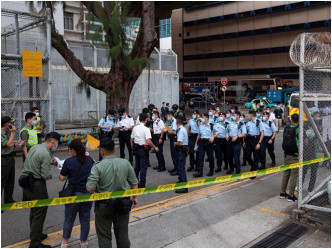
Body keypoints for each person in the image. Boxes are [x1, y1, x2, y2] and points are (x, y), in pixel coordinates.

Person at [86, 137, 138, 248]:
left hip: (104, 205)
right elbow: (134, 183)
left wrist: (97, 190)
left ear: (101, 152)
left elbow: (89, 188)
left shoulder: (97, 167)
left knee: (104, 235)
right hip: (123, 204)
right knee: (122, 233)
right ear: (114, 149)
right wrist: (134, 197)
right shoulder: (125, 163)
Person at [21, 132, 60, 248]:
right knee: (40, 212)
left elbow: (36, 161)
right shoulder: (45, 153)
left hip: (26, 181)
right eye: (57, 143)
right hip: (37, 184)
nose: (56, 145)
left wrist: (51, 162)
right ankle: (35, 243)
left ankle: (36, 234)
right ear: (53, 141)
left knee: (34, 210)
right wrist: (51, 175)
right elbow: (45, 175)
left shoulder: (36, 147)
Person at [59, 139, 94, 248]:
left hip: (73, 194)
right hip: (88, 193)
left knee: (69, 218)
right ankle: (84, 242)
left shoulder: (69, 162)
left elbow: (62, 178)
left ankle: (65, 242)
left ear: (73, 150)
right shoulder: (89, 160)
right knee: (85, 218)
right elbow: (96, 167)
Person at [131, 113, 159, 188]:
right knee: (143, 167)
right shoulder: (146, 129)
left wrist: (132, 147)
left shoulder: (135, 128)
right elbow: (148, 141)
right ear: (145, 119)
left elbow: (132, 139)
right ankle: (142, 184)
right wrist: (155, 147)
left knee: (137, 166)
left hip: (136, 148)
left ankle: (135, 182)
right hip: (143, 149)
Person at [1, 116, 25, 204]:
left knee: (10, 181)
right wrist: (12, 133)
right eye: (10, 123)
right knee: (2, 182)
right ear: (5, 124)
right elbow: (7, 144)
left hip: (10, 157)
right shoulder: (1, 133)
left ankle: (8, 200)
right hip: (3, 159)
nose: (11, 124)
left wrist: (16, 145)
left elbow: (10, 144)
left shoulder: (7, 132)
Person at [280, 114, 299, 202]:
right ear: (298, 120)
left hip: (286, 153)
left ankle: (282, 192)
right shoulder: (297, 129)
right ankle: (291, 195)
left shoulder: (286, 128)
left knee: (286, 173)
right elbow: (301, 141)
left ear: (291, 119)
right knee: (294, 175)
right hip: (295, 155)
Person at [194, 113, 215, 177]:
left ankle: (211, 170)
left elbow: (217, 132)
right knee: (200, 157)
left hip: (209, 142)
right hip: (202, 142)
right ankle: (200, 172)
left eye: (203, 117)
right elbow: (199, 134)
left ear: (206, 118)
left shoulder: (211, 125)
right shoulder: (201, 125)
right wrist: (196, 143)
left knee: (210, 157)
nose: (201, 119)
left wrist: (213, 137)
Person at [245, 110, 264, 178]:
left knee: (256, 156)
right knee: (247, 156)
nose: (248, 116)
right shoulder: (248, 123)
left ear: (251, 115)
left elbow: (262, 133)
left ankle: (253, 172)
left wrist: (259, 143)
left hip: (256, 140)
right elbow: (246, 131)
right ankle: (254, 166)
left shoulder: (259, 122)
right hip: (249, 140)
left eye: (249, 114)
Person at [174, 118, 189, 193]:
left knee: (181, 168)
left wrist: (175, 143)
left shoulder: (180, 130)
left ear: (177, 123)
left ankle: (184, 187)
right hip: (182, 150)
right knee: (180, 167)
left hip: (181, 150)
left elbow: (180, 143)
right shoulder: (183, 129)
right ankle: (181, 181)